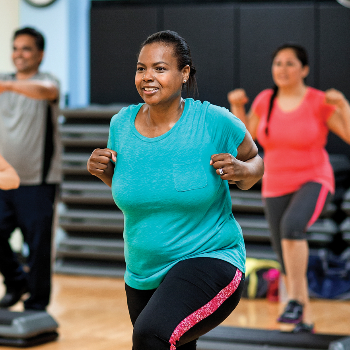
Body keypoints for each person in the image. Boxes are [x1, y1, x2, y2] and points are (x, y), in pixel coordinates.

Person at [87, 30, 264, 349]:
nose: (147, 77)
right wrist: (105, 173)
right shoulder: (121, 126)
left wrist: (241, 170)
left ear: (184, 74)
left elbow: (255, 165)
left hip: (210, 257)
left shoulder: (213, 121)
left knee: (150, 336)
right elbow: (135, 192)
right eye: (141, 68)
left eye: (159, 68)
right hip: (142, 272)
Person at [227, 43, 350, 333]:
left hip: (314, 178)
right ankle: (304, 319)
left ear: (304, 69)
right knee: (286, 256)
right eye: (278, 63)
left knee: (293, 228)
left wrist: (344, 105)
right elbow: (244, 141)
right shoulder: (265, 100)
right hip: (275, 183)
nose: (283, 69)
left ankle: (293, 300)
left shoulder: (319, 101)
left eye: (290, 63)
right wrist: (238, 107)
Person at [0, 27, 61, 311]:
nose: (18, 54)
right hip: (4, 181)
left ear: (40, 54)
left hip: (38, 181)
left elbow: (49, 91)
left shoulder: (47, 82)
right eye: (15, 48)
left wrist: (9, 86)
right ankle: (15, 282)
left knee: (37, 248)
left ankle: (37, 307)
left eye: (26, 48)